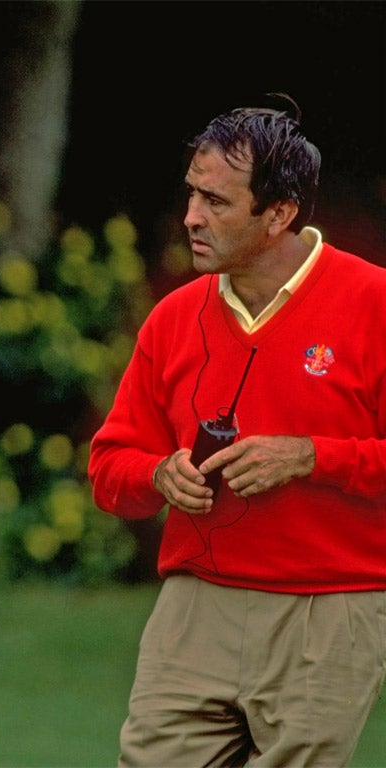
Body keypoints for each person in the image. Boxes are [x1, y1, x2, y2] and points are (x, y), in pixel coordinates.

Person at [89, 95, 386, 767]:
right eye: (193, 194)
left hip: (328, 612)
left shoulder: (375, 304)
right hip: (193, 609)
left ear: (279, 214)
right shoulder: (172, 318)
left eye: (217, 203)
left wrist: (314, 457)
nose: (191, 217)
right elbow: (111, 471)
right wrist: (156, 473)